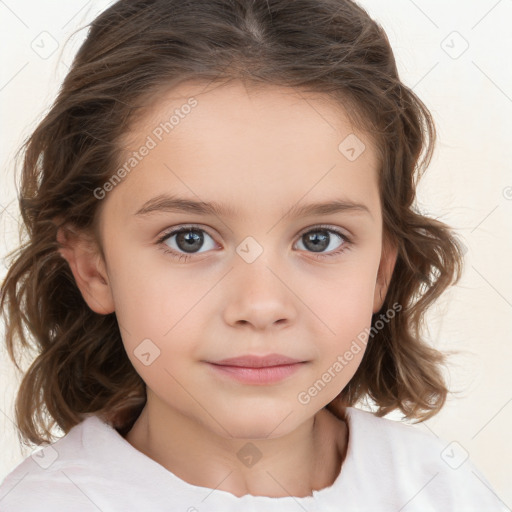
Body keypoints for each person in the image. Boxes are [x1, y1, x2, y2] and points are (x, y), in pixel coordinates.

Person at [0, 0, 507, 510]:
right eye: (189, 239)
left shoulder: (445, 489)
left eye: (319, 239)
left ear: (381, 269)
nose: (261, 306)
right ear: (94, 267)